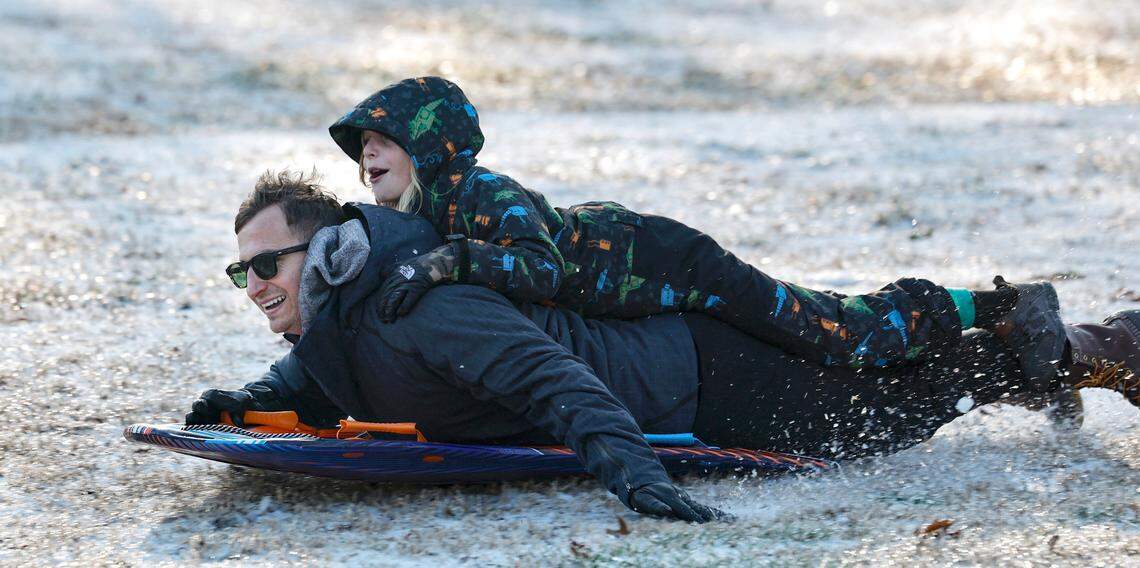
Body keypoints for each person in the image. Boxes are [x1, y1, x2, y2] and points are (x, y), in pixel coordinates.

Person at [188, 171, 1140, 522]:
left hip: (703, 377)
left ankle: (1095, 344)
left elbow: (553, 380)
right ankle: (1034, 358)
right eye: (242, 272)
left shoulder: (419, 308)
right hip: (680, 375)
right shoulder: (343, 325)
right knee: (881, 382)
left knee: (883, 411)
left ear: (332, 253)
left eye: (268, 264)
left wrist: (632, 475)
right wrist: (245, 404)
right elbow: (315, 376)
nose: (256, 285)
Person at [327, 76, 1068, 397]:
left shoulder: (481, 192)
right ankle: (1005, 352)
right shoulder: (428, 213)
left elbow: (540, 270)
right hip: (647, 293)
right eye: (362, 148)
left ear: (432, 145)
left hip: (670, 262)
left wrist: (448, 262)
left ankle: (1001, 305)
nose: (368, 156)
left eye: (383, 141)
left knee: (834, 332)